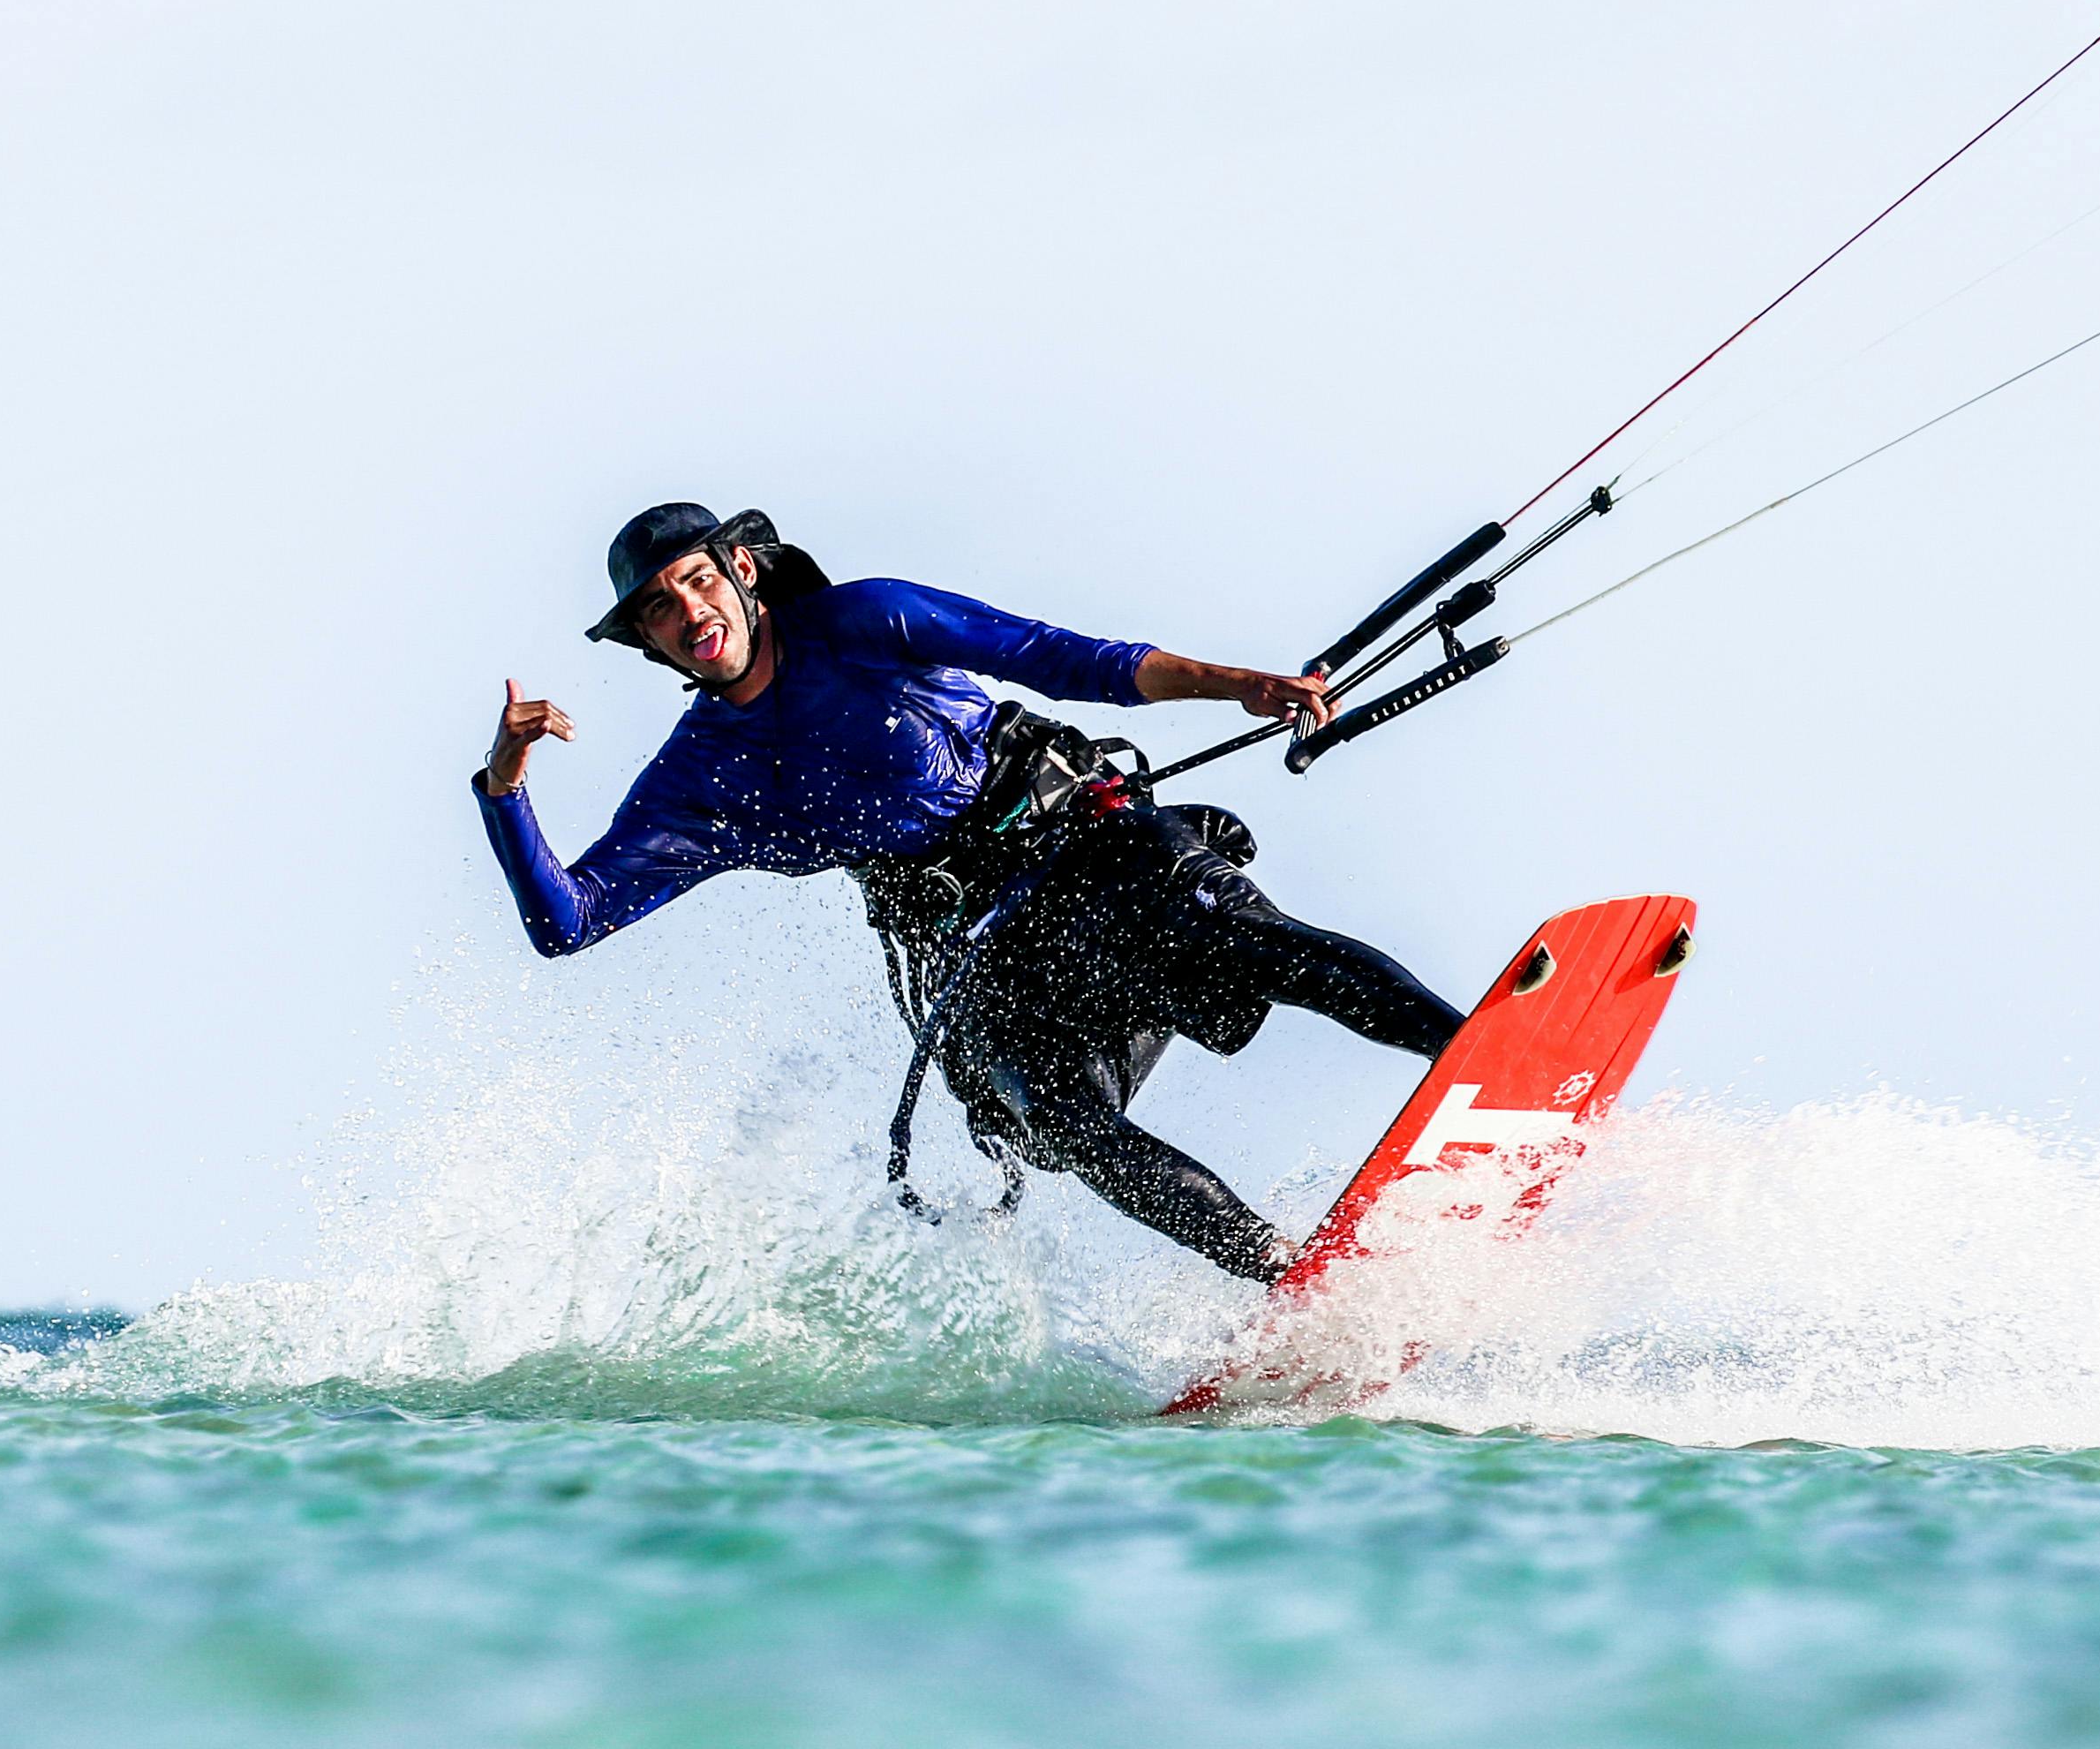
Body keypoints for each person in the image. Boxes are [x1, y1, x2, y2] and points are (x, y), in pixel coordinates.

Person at [473, 501, 1467, 1282]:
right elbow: (571, 921)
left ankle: (1478, 1051)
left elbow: (1061, 657)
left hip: (1083, 843)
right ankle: (1291, 1274)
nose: (688, 611)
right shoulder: (701, 776)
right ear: (648, 639)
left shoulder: (867, 619)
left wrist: (1235, 684)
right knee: (1060, 1121)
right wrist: (506, 786)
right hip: (981, 950)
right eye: (657, 605)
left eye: (695, 580)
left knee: (1237, 934)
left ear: (739, 572)